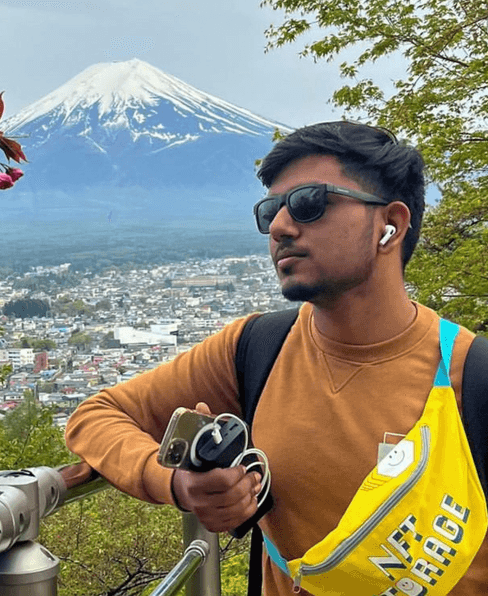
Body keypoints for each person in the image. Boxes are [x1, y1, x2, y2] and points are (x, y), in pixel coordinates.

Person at [64, 121, 488, 595]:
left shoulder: (473, 378)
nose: (281, 227)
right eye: (271, 212)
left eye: (310, 203)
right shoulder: (255, 347)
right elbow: (95, 416)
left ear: (391, 224)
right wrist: (176, 483)